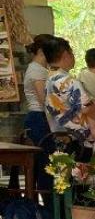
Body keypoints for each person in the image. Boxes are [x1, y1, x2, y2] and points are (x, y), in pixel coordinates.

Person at [43, 37, 95, 159]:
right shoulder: (69, 81)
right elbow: (88, 109)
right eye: (72, 52)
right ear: (66, 54)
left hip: (60, 139)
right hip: (79, 142)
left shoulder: (49, 79)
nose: (73, 56)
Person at [20, 34, 54, 195]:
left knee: (46, 166)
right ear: (41, 51)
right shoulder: (37, 70)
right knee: (45, 166)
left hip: (41, 117)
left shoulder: (41, 69)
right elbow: (45, 101)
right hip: (39, 118)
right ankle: (48, 211)